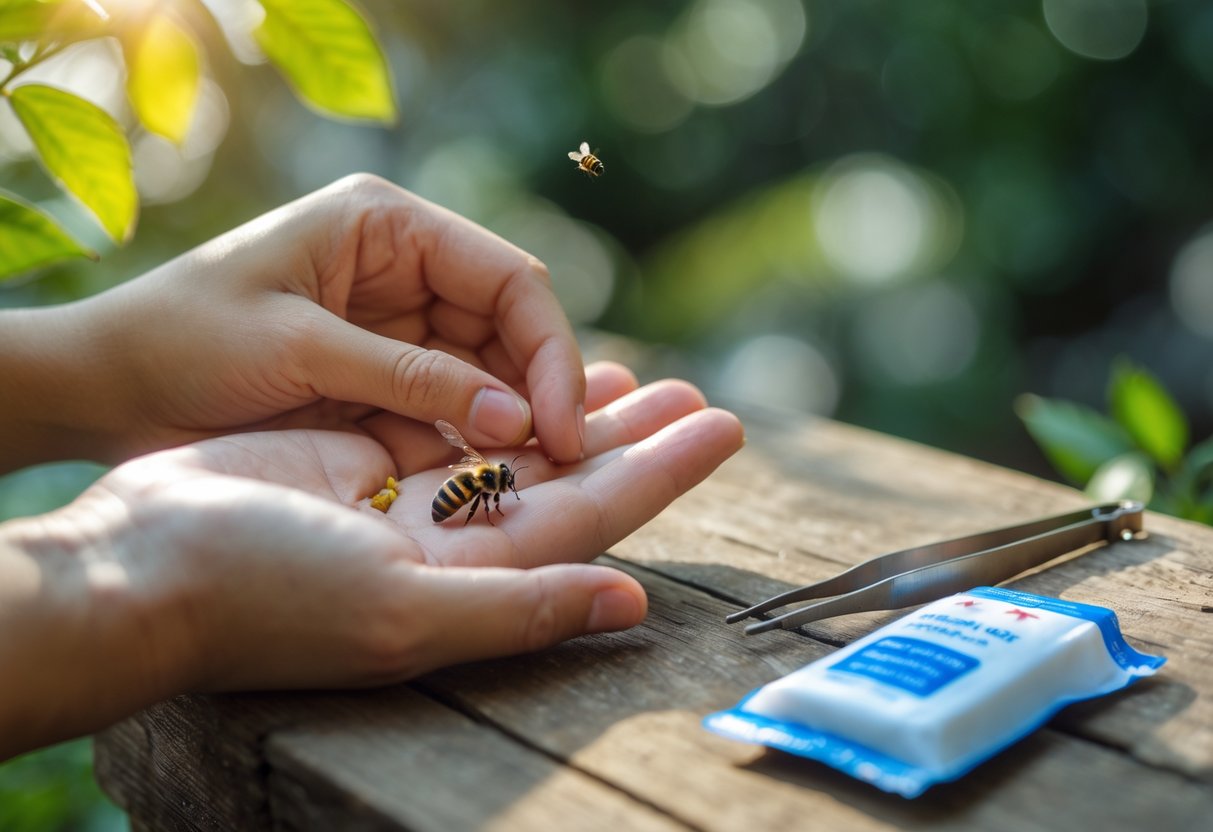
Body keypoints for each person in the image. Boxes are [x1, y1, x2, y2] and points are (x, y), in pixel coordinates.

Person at [0, 174, 745, 762]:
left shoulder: (475, 473)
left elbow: (480, 486)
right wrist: (160, 593)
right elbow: (484, 492)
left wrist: (106, 373)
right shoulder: (480, 480)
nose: (498, 483)